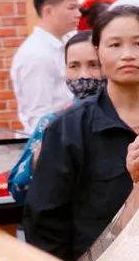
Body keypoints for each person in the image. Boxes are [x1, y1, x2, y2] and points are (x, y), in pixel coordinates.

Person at [22, 3, 139, 261]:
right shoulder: (67, 128)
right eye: (115, 45)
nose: (128, 54)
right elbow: (45, 223)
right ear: (98, 52)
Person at [7, 31, 103, 206]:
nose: (84, 75)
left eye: (94, 65)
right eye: (74, 66)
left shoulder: (134, 117)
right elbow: (17, 188)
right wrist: (37, 162)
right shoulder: (54, 123)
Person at [11, 0, 81, 132]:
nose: (78, 14)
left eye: (78, 8)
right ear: (48, 11)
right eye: (71, 8)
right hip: (51, 137)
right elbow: (38, 114)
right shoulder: (36, 54)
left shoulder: (64, 44)